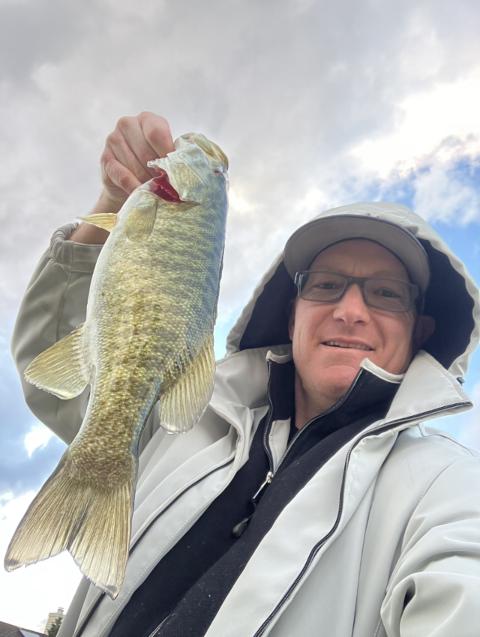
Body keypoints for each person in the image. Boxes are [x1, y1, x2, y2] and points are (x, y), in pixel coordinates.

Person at [11, 112, 480, 637]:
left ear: (420, 331)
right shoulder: (186, 422)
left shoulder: (448, 490)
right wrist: (111, 206)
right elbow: (54, 372)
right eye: (326, 285)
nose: (351, 311)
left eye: (386, 294)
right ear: (292, 316)